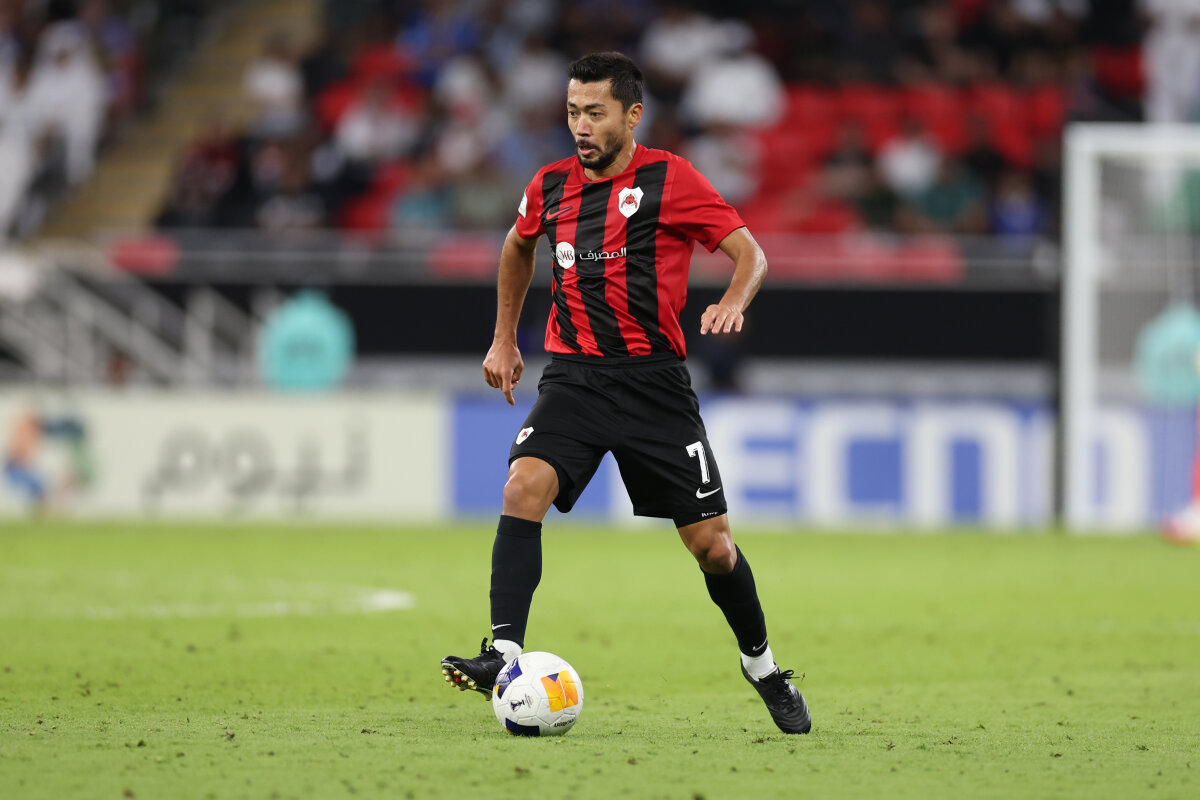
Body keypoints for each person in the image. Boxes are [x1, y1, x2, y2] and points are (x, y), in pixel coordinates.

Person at [439, 51, 811, 735]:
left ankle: (762, 667)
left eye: (595, 112)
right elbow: (517, 247)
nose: (580, 126)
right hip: (575, 377)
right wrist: (503, 339)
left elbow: (750, 253)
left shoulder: (671, 178)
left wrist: (733, 300)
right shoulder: (550, 185)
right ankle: (504, 653)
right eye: (572, 112)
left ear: (632, 115)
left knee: (714, 548)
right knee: (523, 486)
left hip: (654, 387)